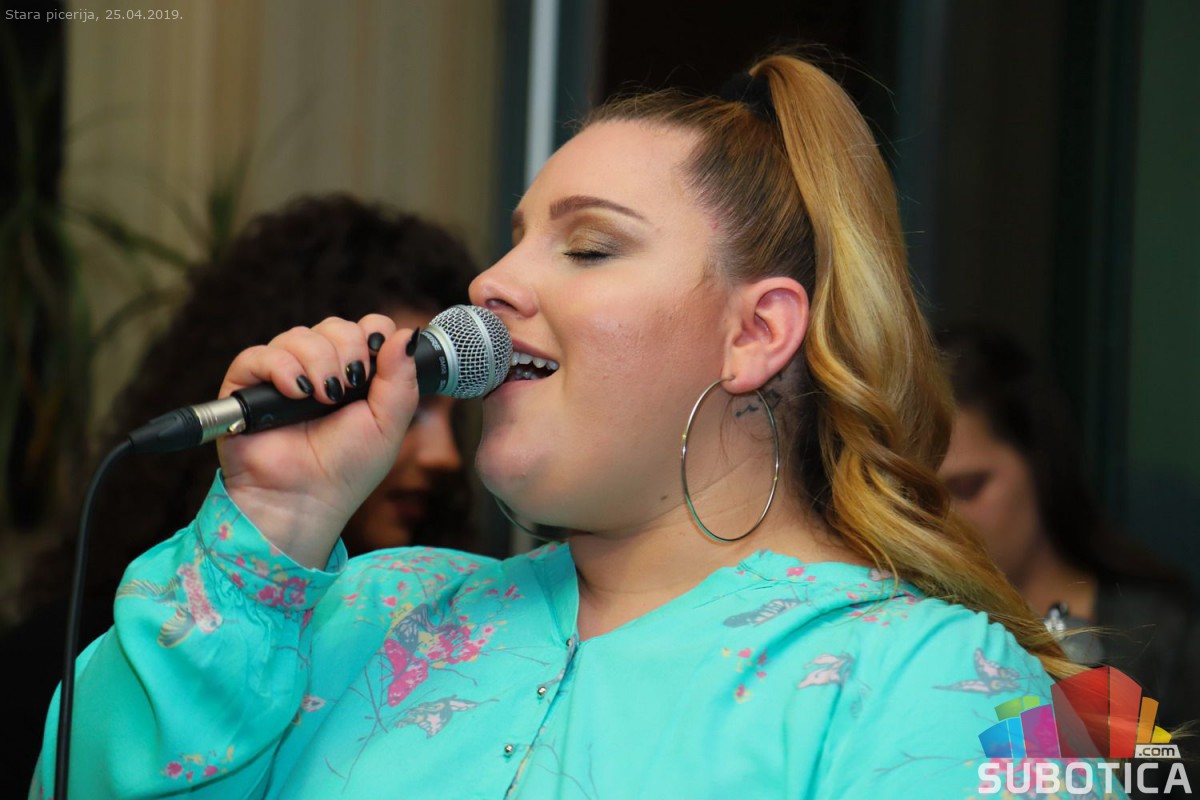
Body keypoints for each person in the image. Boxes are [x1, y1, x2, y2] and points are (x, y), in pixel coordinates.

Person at [31, 54, 1116, 799]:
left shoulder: (944, 689)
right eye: (510, 241)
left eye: (589, 247)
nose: (490, 283)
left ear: (755, 334)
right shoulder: (369, 612)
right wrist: (271, 528)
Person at [5, 193, 483, 799]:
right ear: (293, 402)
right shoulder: (92, 665)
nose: (444, 456)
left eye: (451, 415)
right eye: (410, 412)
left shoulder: (455, 650)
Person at [936, 324, 1200, 728]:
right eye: (919, 497)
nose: (946, 519)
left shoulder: (1164, 636)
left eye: (969, 487)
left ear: (1041, 466)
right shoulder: (904, 637)